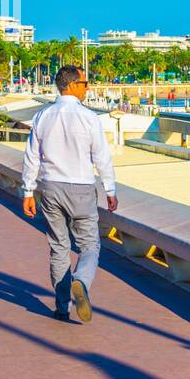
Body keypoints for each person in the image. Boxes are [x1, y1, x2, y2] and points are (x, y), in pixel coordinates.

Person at [21, 64, 117, 323]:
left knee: (58, 247)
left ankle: (62, 306)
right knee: (89, 245)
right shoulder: (89, 117)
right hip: (82, 188)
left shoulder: (43, 116)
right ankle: (82, 281)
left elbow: (32, 157)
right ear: (73, 85)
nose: (88, 88)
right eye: (85, 84)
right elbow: (101, 157)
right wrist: (110, 189)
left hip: (51, 188)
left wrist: (28, 191)